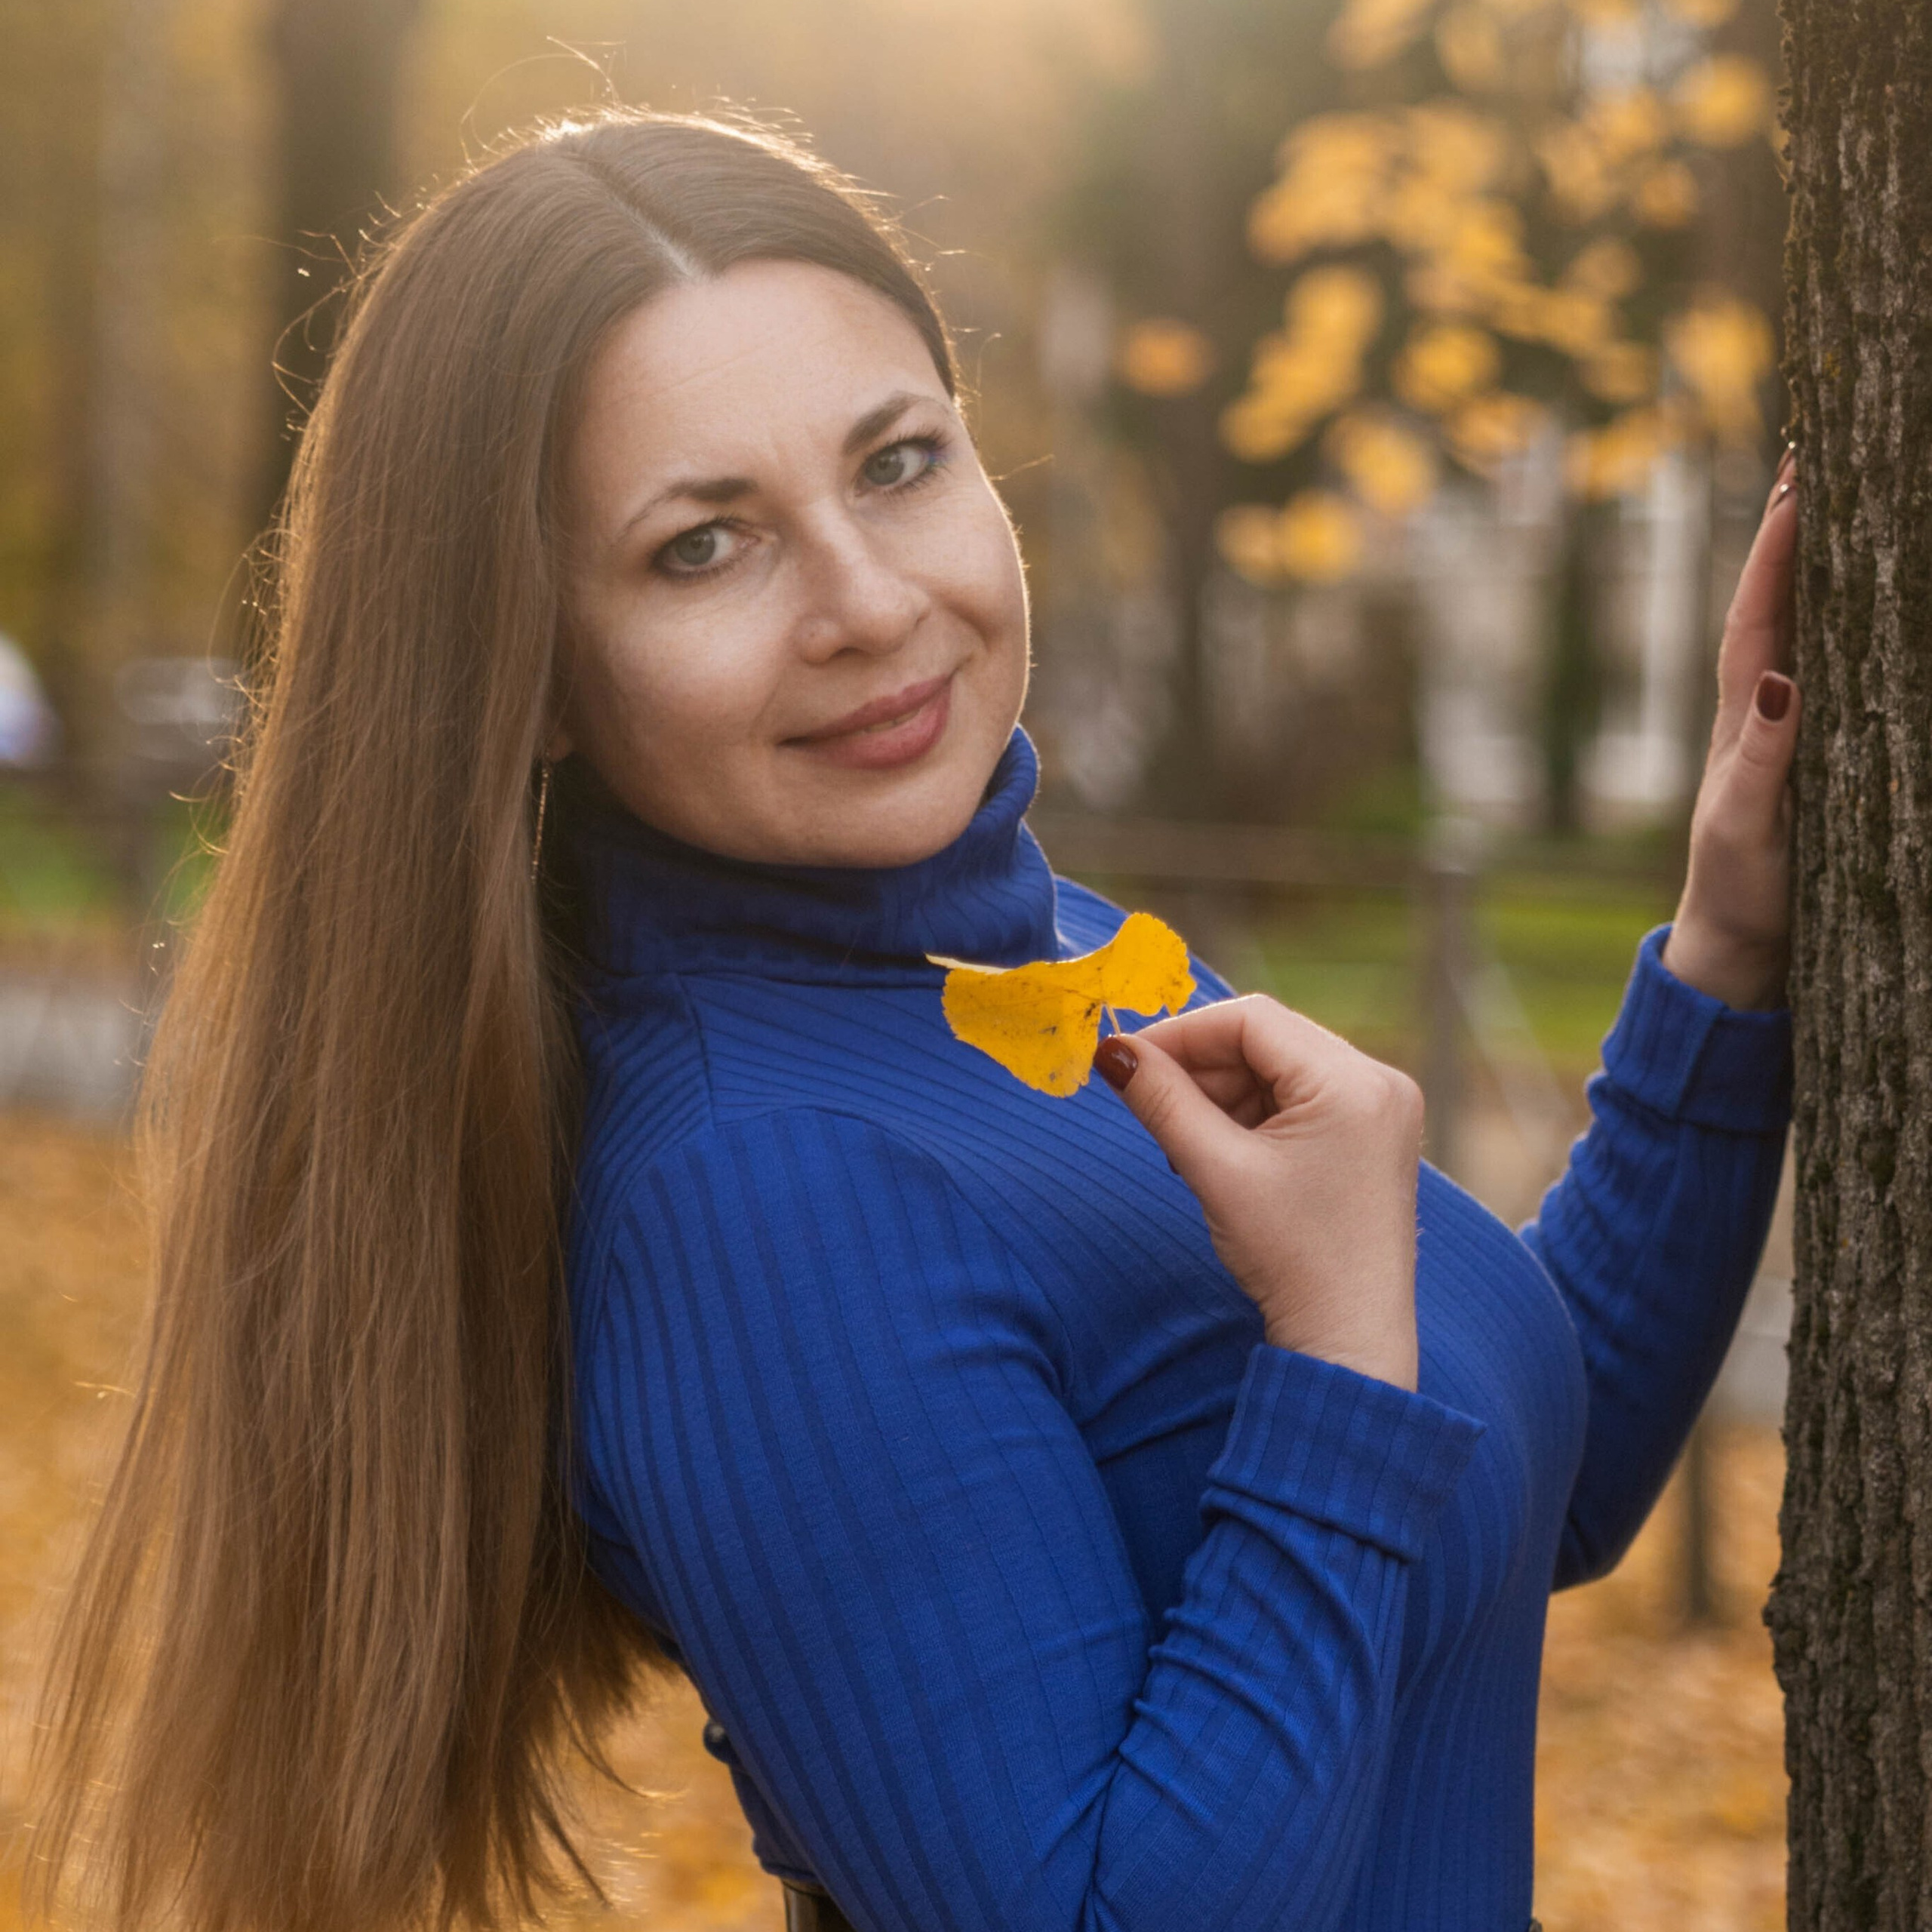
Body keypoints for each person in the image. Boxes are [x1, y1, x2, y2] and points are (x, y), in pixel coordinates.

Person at [30, 109, 1800, 1932]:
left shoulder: (1039, 970)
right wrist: (1335, 1335)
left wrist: (1723, 956)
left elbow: (1525, 1488)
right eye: (702, 549)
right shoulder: (764, 1188)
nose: (868, 605)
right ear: (534, 674)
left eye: (895, 463)